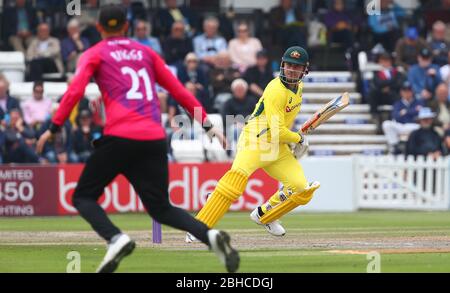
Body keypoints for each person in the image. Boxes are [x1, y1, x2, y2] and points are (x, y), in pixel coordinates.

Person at [36, 5, 238, 274]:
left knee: (83, 196)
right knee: (161, 208)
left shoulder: (94, 53)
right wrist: (209, 127)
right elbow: (179, 92)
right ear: (127, 27)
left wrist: (53, 127)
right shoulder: (146, 52)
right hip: (154, 138)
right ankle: (209, 236)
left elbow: (75, 91)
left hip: (120, 136)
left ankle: (115, 238)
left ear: (99, 28)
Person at [186, 46, 319, 241]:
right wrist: (297, 138)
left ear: (304, 70)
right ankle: (198, 228)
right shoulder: (275, 89)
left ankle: (265, 214)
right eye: (289, 65)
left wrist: (289, 142)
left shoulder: (298, 88)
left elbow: (283, 123)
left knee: (302, 189)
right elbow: (276, 130)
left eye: (296, 67)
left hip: (277, 146)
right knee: (235, 183)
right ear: (282, 65)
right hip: (255, 140)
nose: (291, 70)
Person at [382, 81, 423, 154]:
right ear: (401, 92)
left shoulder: (418, 102)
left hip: (413, 126)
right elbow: (396, 116)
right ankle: (394, 146)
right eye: (405, 91)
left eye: (409, 91)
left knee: (419, 127)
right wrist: (412, 111)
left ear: (412, 91)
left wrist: (405, 112)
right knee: (386, 124)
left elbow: (420, 116)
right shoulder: (398, 103)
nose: (407, 93)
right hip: (400, 126)